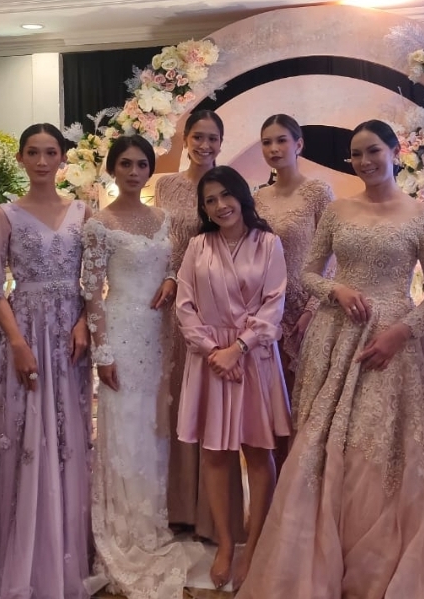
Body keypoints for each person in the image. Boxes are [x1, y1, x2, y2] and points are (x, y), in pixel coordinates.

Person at [237, 119, 424, 599]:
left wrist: (402, 332)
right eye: (356, 154)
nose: (364, 161)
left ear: (395, 151)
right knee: (322, 441)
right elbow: (310, 273)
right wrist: (336, 289)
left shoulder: (422, 215)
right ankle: (320, 552)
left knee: (382, 442)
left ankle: (378, 554)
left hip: (394, 340)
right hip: (335, 336)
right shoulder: (338, 210)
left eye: (373, 151)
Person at [83, 135, 205, 599]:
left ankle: (152, 522)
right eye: (126, 164)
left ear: (150, 170)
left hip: (159, 333)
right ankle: (122, 528)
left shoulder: (163, 218)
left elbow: (173, 264)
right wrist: (102, 352)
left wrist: (171, 278)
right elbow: (92, 291)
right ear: (113, 169)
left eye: (141, 165)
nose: (134, 172)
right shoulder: (100, 223)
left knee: (154, 429)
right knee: (123, 428)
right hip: (120, 331)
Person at [0, 123, 93, 599]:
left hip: (70, 335)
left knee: (67, 436)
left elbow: (95, 276)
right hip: (24, 331)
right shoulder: (4, 214)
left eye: (51, 152)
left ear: (63, 158)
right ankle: (22, 554)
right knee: (25, 433)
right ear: (21, 159)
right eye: (33, 152)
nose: (43, 161)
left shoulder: (84, 210)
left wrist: (85, 320)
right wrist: (17, 342)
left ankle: (65, 549)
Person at [175, 165, 291, 591]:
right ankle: (226, 543)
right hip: (210, 361)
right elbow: (185, 305)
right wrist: (213, 351)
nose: (220, 205)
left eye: (226, 195)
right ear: (204, 209)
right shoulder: (198, 245)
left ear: (241, 195)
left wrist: (237, 348)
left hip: (253, 357)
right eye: (210, 200)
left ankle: (255, 544)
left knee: (258, 452)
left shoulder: (269, 244)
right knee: (215, 455)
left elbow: (274, 303)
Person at [153, 109, 244, 540]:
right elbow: (161, 243)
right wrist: (169, 276)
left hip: (218, 306)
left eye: (213, 138)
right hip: (175, 304)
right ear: (185, 139)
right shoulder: (165, 185)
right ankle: (179, 507)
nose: (205, 145)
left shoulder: (229, 186)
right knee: (179, 401)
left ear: (221, 143)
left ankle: (213, 517)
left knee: (215, 405)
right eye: (198, 137)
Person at [253, 113, 333, 470]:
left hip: (308, 310)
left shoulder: (318, 192)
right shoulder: (258, 198)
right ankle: (275, 488)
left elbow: (332, 254)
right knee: (273, 404)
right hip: (269, 310)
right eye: (267, 142)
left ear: (298, 144)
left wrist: (312, 308)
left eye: (281, 140)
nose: (274, 148)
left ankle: (303, 485)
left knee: (306, 402)